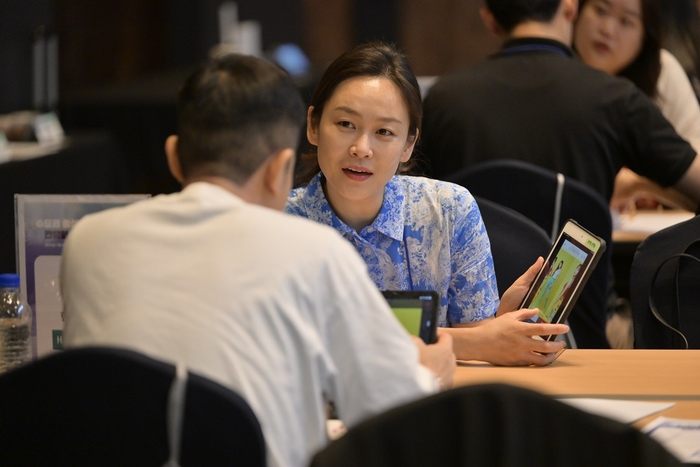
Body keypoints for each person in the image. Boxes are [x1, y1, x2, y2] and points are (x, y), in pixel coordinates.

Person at [60, 53, 456, 467]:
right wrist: (429, 373)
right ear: (279, 170)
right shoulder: (314, 253)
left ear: (174, 156)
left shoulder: (88, 241)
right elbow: (393, 417)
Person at [285, 41, 569, 367]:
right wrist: (474, 341)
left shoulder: (450, 211)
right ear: (313, 125)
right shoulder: (278, 223)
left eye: (384, 131)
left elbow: (481, 346)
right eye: (346, 124)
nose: (362, 148)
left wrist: (499, 324)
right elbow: (299, 349)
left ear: (408, 144)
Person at [421, 0, 700, 207]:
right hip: (580, 285)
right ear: (570, 9)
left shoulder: (443, 99)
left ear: (490, 20)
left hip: (475, 287)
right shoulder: (616, 99)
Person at [573, 0, 700, 211]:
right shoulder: (552, 77)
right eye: (600, 11)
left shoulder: (661, 72)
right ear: (574, 11)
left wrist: (637, 182)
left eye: (626, 21)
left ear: (645, 35)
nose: (608, 30)